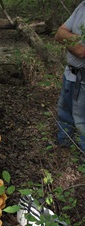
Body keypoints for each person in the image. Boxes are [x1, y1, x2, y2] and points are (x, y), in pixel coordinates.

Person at [55, 1, 85, 153]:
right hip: (70, 75)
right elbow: (59, 33)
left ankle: (81, 159)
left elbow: (81, 51)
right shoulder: (82, 6)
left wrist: (67, 37)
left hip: (83, 80)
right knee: (64, 113)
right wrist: (74, 39)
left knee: (82, 122)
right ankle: (63, 148)